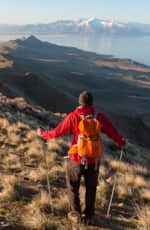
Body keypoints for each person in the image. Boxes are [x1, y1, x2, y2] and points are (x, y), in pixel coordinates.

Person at [37, 91, 126, 225]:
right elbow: (112, 132)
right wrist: (121, 143)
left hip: (76, 159)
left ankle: (75, 214)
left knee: (73, 186)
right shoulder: (99, 117)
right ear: (91, 103)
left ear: (80, 102)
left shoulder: (73, 116)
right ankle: (89, 216)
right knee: (91, 188)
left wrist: (43, 134)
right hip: (94, 161)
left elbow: (57, 132)